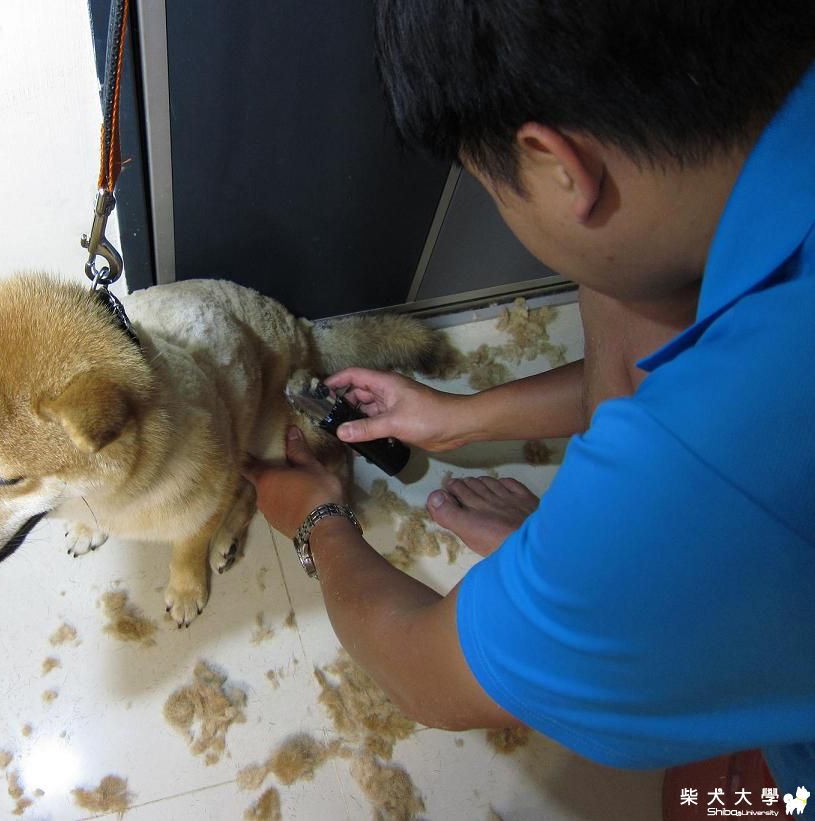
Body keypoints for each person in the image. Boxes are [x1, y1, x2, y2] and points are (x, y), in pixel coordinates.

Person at [243, 0, 815, 813]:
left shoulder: (702, 469)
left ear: (554, 162)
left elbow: (425, 674)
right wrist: (458, 416)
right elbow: (667, 355)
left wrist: (317, 520)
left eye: (491, 188)